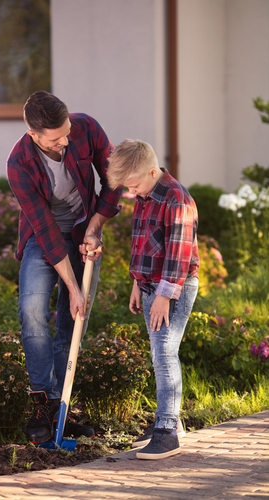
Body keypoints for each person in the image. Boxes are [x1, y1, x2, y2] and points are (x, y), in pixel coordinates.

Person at [7, 91, 122, 443]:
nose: (66, 140)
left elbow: (114, 178)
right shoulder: (19, 163)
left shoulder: (86, 128)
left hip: (84, 231)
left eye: (67, 131)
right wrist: (73, 288)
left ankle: (62, 409)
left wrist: (94, 226)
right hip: (43, 239)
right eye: (56, 139)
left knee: (73, 323)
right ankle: (45, 402)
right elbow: (44, 228)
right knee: (31, 309)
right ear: (34, 136)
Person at [107, 139, 200, 460]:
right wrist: (137, 282)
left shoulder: (176, 199)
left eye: (132, 184)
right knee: (160, 353)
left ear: (151, 171)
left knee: (164, 354)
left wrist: (162, 297)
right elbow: (143, 243)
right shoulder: (146, 195)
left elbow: (177, 254)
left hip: (173, 287)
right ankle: (169, 419)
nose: (130, 192)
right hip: (149, 286)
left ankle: (167, 431)